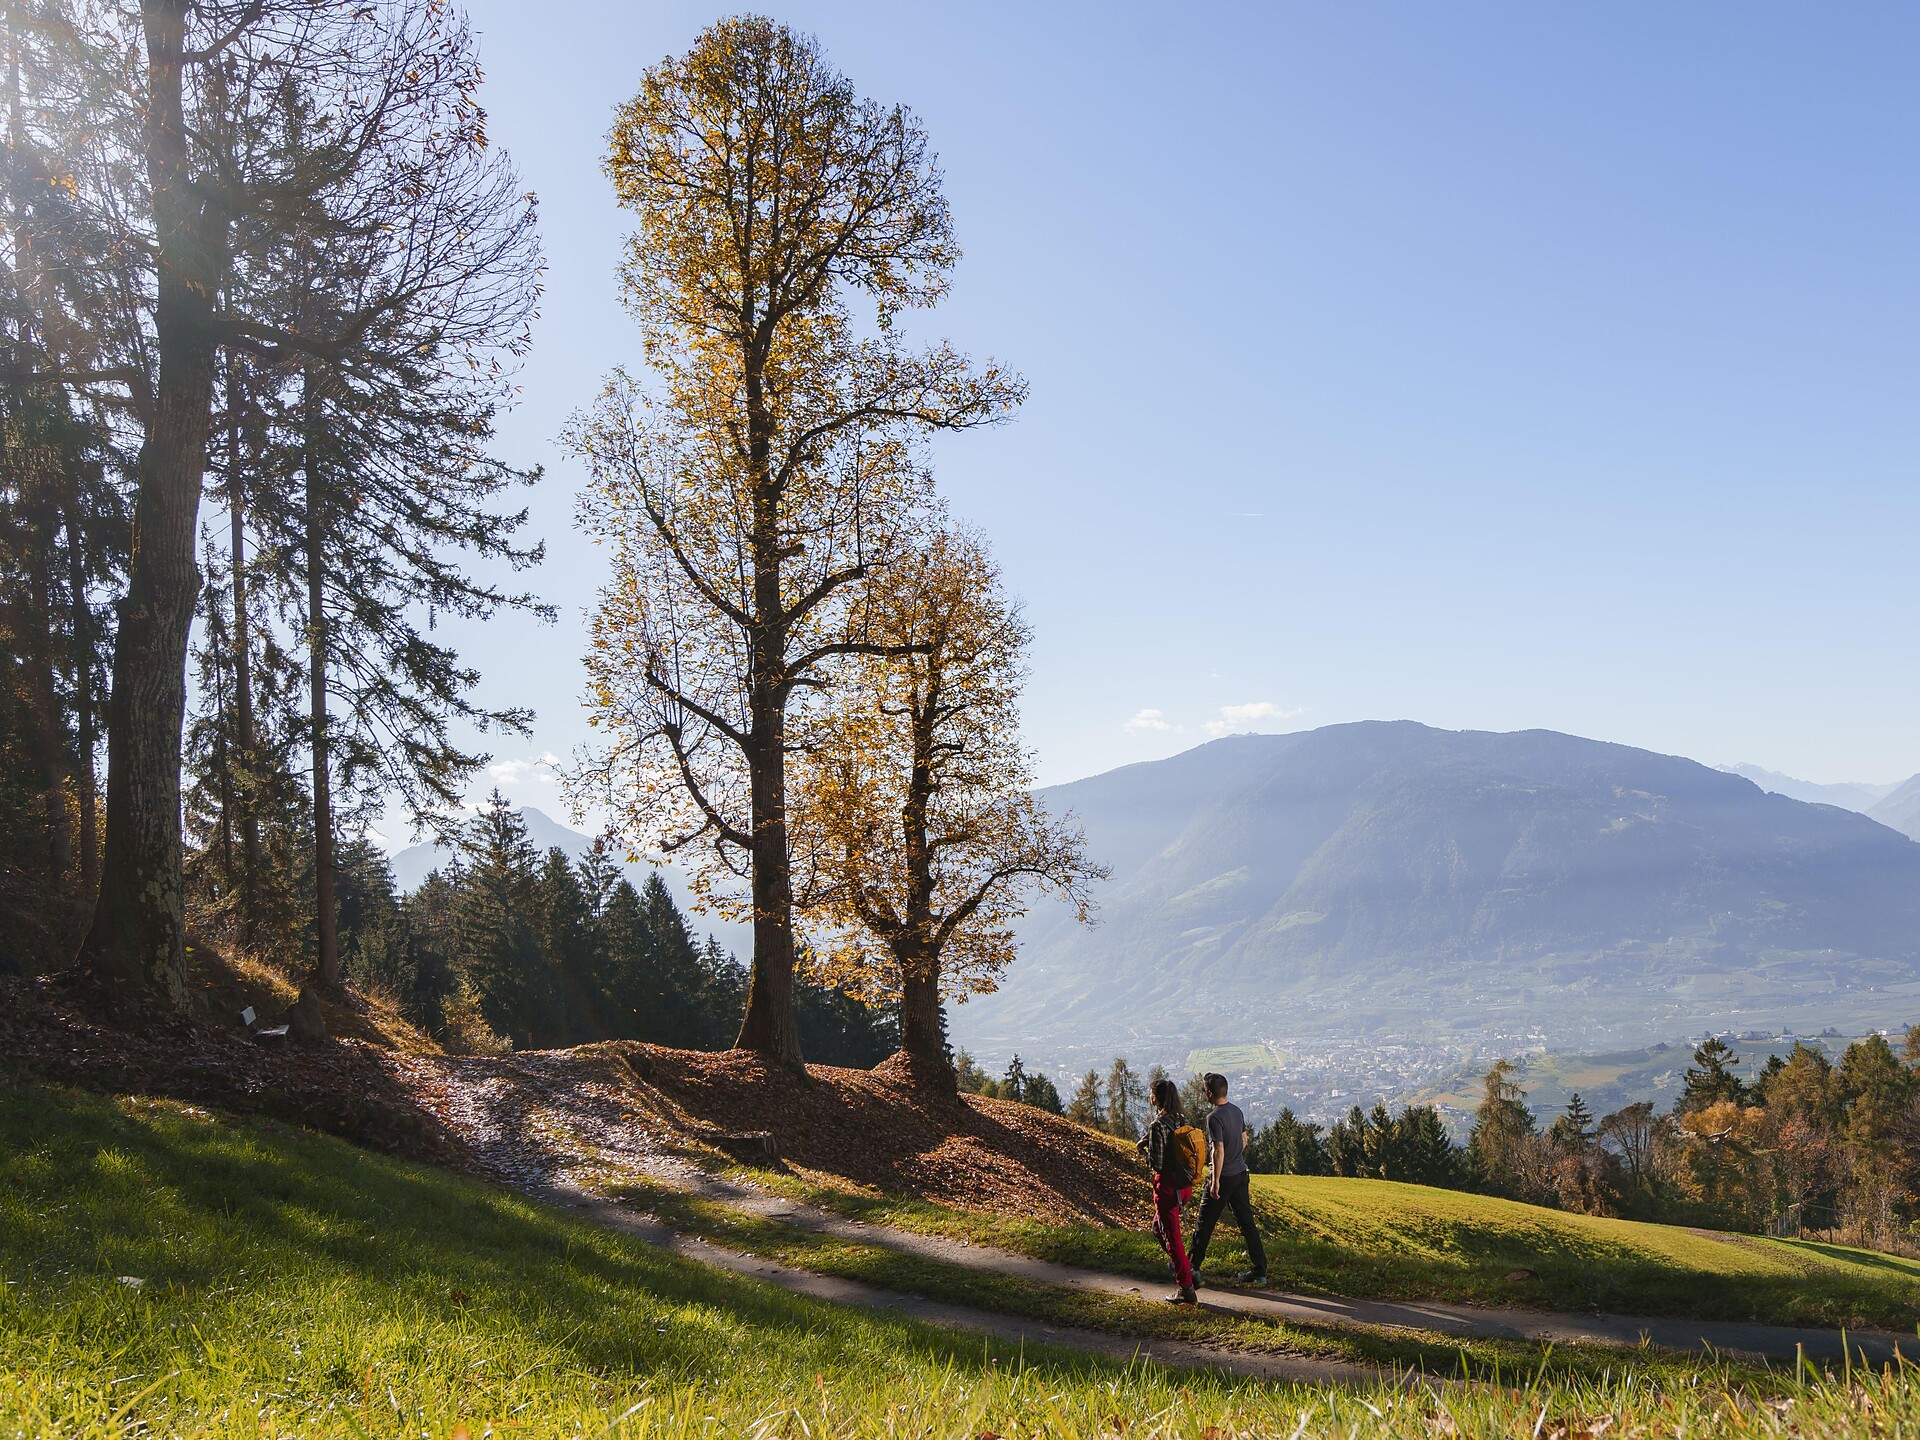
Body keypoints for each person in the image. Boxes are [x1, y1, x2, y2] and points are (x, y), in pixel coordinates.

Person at [1187, 1072, 1268, 1287]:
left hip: (1224, 1177)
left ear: (1210, 1093)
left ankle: (1191, 1267)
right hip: (1241, 1175)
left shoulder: (1214, 1117)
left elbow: (1218, 1150)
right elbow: (1244, 1139)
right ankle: (1260, 1271)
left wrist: (1215, 1180)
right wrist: (1236, 1157)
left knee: (1205, 1223)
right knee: (1247, 1222)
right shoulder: (1237, 1111)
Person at [1136, 1077, 1197, 1304]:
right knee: (1158, 1227)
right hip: (1184, 1186)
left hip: (1167, 1188)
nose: (1150, 1097)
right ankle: (1187, 1272)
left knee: (1172, 1237)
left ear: (1156, 1098)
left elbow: (1158, 1164)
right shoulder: (1181, 1119)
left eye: (1151, 1093)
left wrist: (1145, 1153)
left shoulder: (1157, 1126)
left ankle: (1186, 1288)